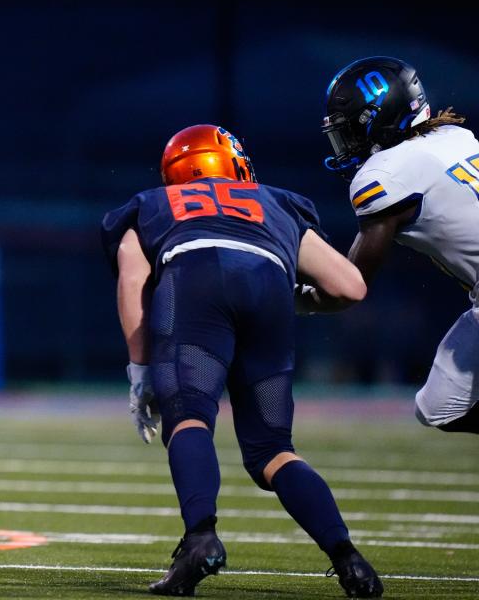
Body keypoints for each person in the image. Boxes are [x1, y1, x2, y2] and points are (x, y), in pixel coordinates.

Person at [102, 124, 382, 597]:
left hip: (194, 282)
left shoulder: (153, 203)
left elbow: (133, 280)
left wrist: (139, 369)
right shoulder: (275, 201)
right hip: (268, 289)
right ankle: (348, 559)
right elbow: (350, 286)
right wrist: (282, 297)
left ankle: (200, 541)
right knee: (273, 450)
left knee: (189, 417)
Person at [321, 56, 479, 434]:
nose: (346, 145)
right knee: (438, 406)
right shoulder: (456, 137)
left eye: (349, 132)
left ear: (377, 119)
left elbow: (350, 285)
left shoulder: (385, 174)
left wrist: (295, 298)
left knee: (441, 408)